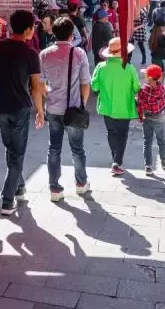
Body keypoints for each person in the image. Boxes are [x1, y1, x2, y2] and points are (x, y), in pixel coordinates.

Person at [0, 9, 45, 216]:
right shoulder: (31, 54)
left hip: (1, 107)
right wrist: (40, 110)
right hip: (21, 108)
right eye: (32, 27)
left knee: (11, 149)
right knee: (17, 154)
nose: (33, 30)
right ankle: (7, 201)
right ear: (26, 29)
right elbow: (35, 87)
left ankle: (20, 187)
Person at [38, 17, 93, 201]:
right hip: (73, 110)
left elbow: (42, 85)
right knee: (77, 149)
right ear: (71, 35)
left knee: (54, 149)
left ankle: (54, 189)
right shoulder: (78, 54)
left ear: (53, 33)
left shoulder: (44, 54)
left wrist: (50, 95)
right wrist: (83, 104)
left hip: (53, 109)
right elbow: (86, 84)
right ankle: (81, 184)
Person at [91, 37, 142, 177]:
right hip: (124, 107)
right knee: (122, 134)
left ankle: (115, 159)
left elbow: (94, 86)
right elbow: (136, 88)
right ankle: (117, 162)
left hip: (106, 106)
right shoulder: (129, 68)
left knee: (111, 133)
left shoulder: (101, 67)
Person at [137, 65, 165, 176]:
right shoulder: (162, 89)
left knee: (147, 141)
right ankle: (164, 161)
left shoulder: (143, 90)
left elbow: (140, 105)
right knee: (161, 140)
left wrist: (140, 117)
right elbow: (164, 103)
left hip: (147, 119)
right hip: (159, 118)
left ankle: (148, 166)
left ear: (148, 78)